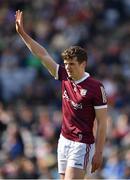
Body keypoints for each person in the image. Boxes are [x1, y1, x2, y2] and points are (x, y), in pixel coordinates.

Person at [15, 10, 108, 179]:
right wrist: (23, 34)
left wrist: (99, 152)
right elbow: (42, 54)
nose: (68, 68)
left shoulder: (96, 87)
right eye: (66, 64)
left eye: (72, 64)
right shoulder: (64, 75)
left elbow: (102, 123)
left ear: (83, 64)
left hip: (82, 144)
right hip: (64, 140)